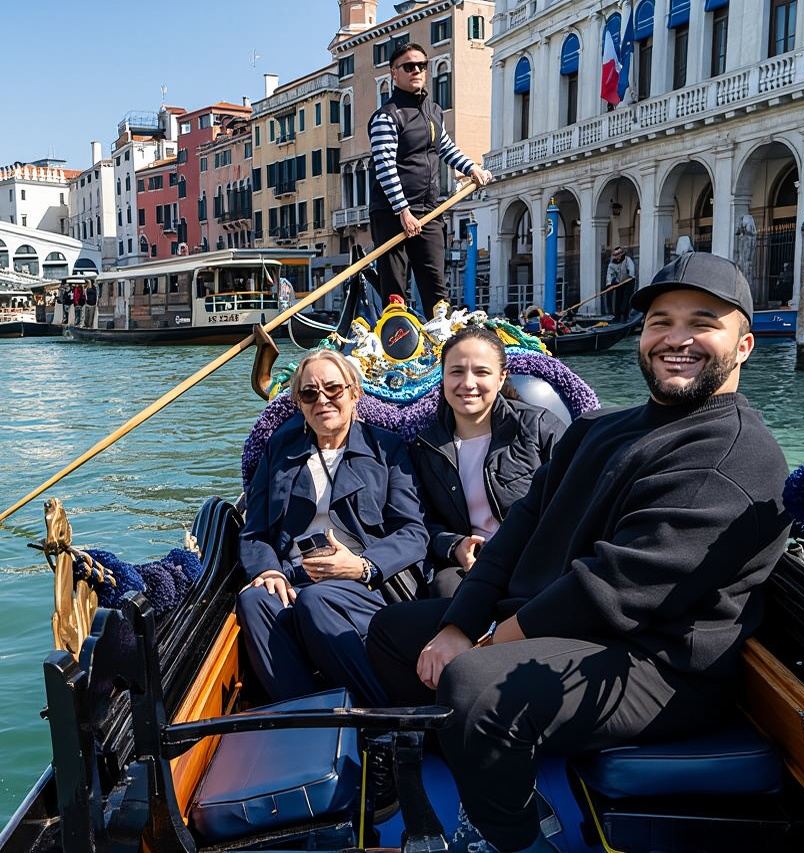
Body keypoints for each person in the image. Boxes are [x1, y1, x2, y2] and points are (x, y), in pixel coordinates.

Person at [367, 252, 791, 853]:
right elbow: (521, 528)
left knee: (472, 685)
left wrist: (484, 640)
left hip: (659, 662)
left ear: (743, 345)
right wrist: (459, 621)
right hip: (566, 626)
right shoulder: (599, 428)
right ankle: (495, 771)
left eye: (701, 322)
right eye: (659, 322)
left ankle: (510, 833)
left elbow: (612, 590)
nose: (676, 339)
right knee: (392, 632)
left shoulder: (734, 455)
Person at [238, 349, 428, 707]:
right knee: (253, 599)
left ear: (354, 392)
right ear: (299, 403)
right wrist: (268, 569)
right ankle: (308, 714)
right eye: (309, 393)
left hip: (366, 583)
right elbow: (254, 530)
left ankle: (380, 711)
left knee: (317, 598)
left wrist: (363, 566)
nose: (322, 400)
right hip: (294, 577)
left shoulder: (387, 449)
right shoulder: (279, 450)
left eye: (333, 390)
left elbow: (413, 532)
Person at [411, 327, 565, 598]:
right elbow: (423, 520)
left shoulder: (540, 427)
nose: (468, 383)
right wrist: (456, 545)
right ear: (443, 377)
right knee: (446, 589)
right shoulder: (427, 446)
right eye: (456, 372)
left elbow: (571, 504)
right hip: (470, 566)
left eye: (481, 372)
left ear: (501, 377)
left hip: (534, 559)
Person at [369, 42, 491, 313]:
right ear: (394, 72)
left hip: (429, 210)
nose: (416, 71)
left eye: (421, 66)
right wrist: (403, 212)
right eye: (409, 66)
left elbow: (445, 148)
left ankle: (443, 341)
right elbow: (385, 167)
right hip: (392, 214)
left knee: (436, 285)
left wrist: (472, 168)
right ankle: (395, 345)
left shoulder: (433, 112)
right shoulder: (386, 117)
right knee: (395, 290)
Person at [605, 245, 637, 321]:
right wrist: (609, 284)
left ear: (621, 254)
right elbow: (609, 274)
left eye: (618, 255)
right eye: (615, 255)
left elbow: (631, 270)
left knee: (626, 298)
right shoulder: (612, 264)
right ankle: (617, 316)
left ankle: (625, 315)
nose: (617, 257)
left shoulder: (627, 260)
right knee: (618, 298)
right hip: (619, 283)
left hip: (629, 281)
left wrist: (629, 276)